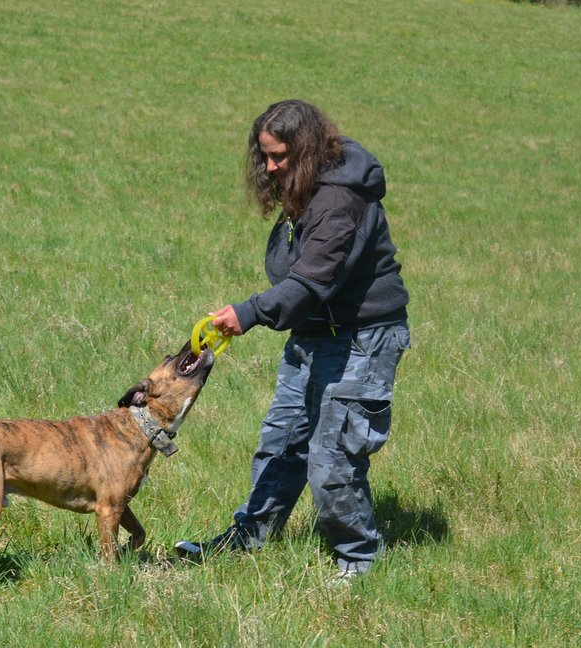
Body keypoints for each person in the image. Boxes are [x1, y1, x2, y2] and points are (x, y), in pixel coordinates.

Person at [175, 100, 411, 579]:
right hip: (311, 335)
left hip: (362, 339)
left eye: (279, 156)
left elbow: (311, 283)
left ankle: (359, 559)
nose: (270, 167)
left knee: (333, 460)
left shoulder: (341, 199)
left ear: (306, 151)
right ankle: (249, 539)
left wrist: (250, 312)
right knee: (281, 444)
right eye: (263, 156)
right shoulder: (302, 190)